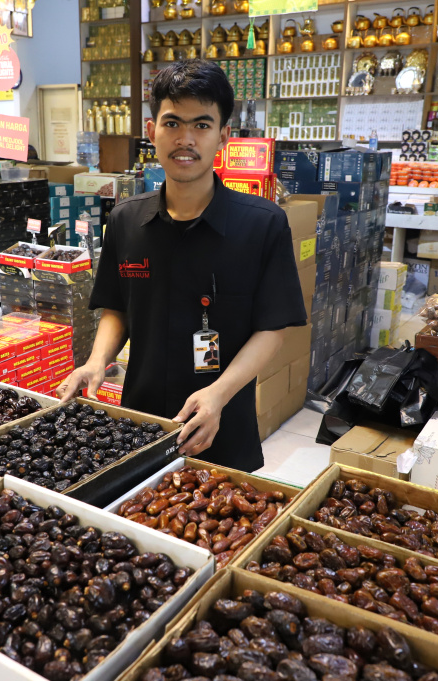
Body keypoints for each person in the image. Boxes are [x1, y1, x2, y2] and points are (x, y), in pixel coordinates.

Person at [57, 60, 307, 471]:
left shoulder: (262, 224)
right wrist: (95, 361)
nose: (185, 140)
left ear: (224, 135)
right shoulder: (125, 221)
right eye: (172, 124)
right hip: (139, 422)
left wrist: (218, 394)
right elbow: (117, 308)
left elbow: (272, 329)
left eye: (202, 125)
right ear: (152, 130)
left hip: (223, 424)